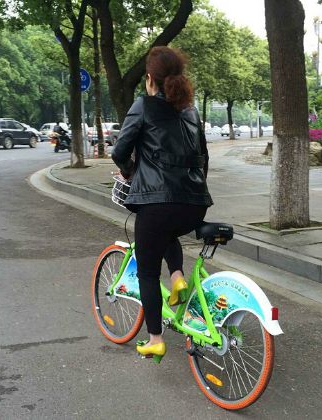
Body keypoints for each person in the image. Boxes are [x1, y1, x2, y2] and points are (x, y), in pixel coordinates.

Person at [111, 46, 213, 363]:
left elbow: (119, 151)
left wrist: (129, 172)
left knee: (146, 273)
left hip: (156, 203)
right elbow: (203, 159)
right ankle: (178, 276)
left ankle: (155, 339)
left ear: (150, 78)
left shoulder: (144, 105)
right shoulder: (191, 112)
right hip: (195, 205)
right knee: (167, 230)